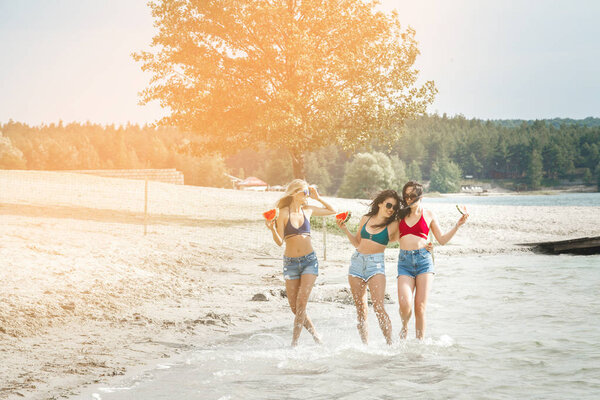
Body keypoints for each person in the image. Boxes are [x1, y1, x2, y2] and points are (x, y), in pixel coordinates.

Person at [266, 179, 336, 346]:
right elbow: (279, 241)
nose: (307, 196)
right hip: (290, 263)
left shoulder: (308, 210)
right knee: (294, 307)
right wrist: (272, 229)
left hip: (309, 262)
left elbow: (333, 210)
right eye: (305, 193)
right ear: (294, 194)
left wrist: (317, 197)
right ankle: (315, 335)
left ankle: (294, 344)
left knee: (301, 302)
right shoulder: (283, 213)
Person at [396, 181, 468, 340]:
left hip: (424, 262)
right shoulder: (400, 215)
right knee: (404, 304)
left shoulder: (429, 214)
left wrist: (457, 225)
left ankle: (419, 346)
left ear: (420, 196)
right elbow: (389, 234)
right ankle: (405, 325)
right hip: (404, 263)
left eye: (412, 196)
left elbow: (441, 239)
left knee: (420, 308)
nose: (408, 199)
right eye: (406, 196)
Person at [335, 190, 401, 345]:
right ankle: (366, 346)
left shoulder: (393, 224)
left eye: (394, 207)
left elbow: (404, 236)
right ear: (380, 203)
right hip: (357, 262)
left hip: (376, 264)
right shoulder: (365, 218)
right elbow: (358, 243)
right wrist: (345, 229)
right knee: (361, 309)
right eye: (389, 205)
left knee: (379, 307)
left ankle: (390, 344)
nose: (391, 209)